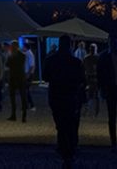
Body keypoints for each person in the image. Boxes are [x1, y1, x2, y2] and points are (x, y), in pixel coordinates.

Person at [44, 35, 86, 169]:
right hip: (71, 97)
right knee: (70, 124)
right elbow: (81, 80)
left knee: (61, 124)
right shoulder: (76, 62)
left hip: (56, 96)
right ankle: (70, 151)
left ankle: (64, 149)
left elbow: (45, 77)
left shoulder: (51, 60)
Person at [6, 40, 28, 122]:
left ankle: (21, 115)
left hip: (18, 77)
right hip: (16, 77)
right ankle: (15, 115)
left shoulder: (20, 55)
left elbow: (9, 64)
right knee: (16, 97)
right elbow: (8, 64)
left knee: (22, 97)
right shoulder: (19, 55)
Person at [83, 43, 100, 117]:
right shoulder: (88, 58)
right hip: (91, 78)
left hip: (92, 78)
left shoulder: (88, 58)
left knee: (94, 95)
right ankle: (92, 111)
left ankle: (94, 111)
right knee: (92, 95)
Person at [24, 42, 36, 111]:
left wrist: (28, 74)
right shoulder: (28, 53)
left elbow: (31, 65)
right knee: (26, 90)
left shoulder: (29, 54)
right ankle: (28, 105)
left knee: (26, 90)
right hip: (28, 73)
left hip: (28, 74)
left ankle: (31, 105)